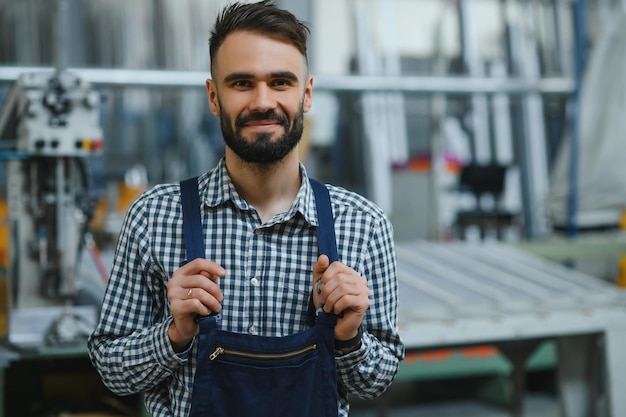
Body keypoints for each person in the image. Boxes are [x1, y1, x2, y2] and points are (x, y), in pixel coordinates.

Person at [87, 1, 404, 416]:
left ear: (306, 94)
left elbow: (376, 381)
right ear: (214, 97)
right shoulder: (154, 217)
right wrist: (174, 334)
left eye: (280, 82)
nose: (261, 101)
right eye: (241, 84)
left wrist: (349, 337)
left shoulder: (363, 224)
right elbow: (111, 370)